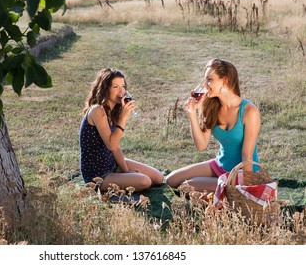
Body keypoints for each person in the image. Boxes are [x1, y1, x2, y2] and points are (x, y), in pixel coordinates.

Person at [166, 58, 261, 192]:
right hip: (219, 165)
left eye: (209, 80)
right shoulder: (211, 106)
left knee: (187, 186)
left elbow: (247, 156)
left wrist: (245, 187)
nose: (205, 85)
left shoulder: (249, 111)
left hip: (241, 173)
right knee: (171, 180)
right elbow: (201, 145)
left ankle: (222, 192)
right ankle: (219, 191)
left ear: (225, 80)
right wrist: (192, 114)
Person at [79, 68, 164, 192]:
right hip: (98, 175)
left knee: (158, 177)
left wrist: (126, 171)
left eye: (123, 86)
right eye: (116, 87)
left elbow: (116, 147)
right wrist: (123, 118)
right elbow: (111, 145)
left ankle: (122, 175)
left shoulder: (112, 111)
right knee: (145, 181)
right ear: (105, 89)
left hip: (111, 164)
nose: (122, 91)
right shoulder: (97, 110)